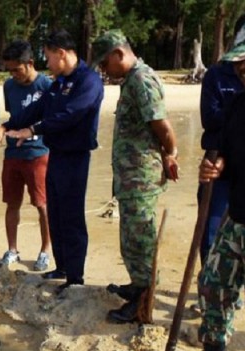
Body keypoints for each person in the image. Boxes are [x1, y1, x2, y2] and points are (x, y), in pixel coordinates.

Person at [176, 18, 245, 351]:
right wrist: (218, 166)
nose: (243, 67)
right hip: (238, 214)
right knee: (213, 285)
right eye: (238, 61)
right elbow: (228, 149)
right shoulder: (240, 101)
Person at [0, 30, 104, 291]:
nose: (47, 63)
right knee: (55, 213)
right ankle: (62, 267)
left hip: (75, 157)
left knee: (72, 216)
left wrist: (33, 131)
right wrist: (6, 126)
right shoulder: (58, 82)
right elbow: (36, 110)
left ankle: (75, 278)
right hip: (56, 154)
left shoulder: (88, 81)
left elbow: (72, 114)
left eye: (48, 56)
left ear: (62, 53)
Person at [91, 30, 179, 323]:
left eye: (105, 64)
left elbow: (162, 126)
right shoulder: (131, 80)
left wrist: (171, 154)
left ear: (119, 53)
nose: (104, 70)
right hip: (131, 176)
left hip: (141, 176)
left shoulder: (141, 79)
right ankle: (138, 284)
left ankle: (144, 300)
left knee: (140, 236)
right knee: (131, 236)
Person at [198, 11, 245, 263]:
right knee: (211, 236)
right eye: (240, 57)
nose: (244, 65)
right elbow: (215, 126)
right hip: (227, 181)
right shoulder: (228, 85)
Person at [0, 40, 52, 272]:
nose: (13, 75)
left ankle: (45, 250)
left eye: (16, 69)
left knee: (42, 204)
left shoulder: (47, 85)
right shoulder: (9, 87)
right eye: (9, 70)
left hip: (39, 153)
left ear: (30, 63)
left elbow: (53, 120)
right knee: (12, 203)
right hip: (13, 153)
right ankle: (12, 249)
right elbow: (13, 116)